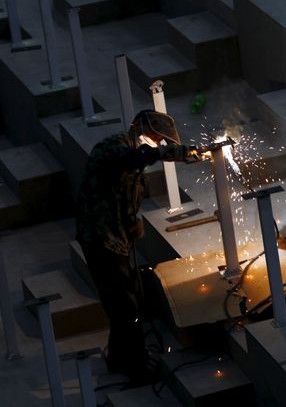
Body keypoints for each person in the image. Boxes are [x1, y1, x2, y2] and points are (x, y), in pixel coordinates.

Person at [76, 110, 199, 383]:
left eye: (161, 140)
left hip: (116, 238)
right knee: (123, 305)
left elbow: (126, 192)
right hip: (99, 238)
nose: (156, 142)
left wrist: (133, 220)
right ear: (139, 128)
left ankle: (119, 358)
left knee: (126, 299)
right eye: (156, 136)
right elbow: (127, 161)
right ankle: (135, 366)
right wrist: (171, 153)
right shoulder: (113, 147)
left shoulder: (136, 163)